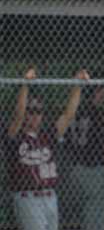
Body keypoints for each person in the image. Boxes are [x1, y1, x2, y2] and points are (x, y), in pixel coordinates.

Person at [4, 67, 89, 230]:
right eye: (31, 111)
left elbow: (68, 115)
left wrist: (78, 85)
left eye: (38, 111)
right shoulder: (15, 136)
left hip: (50, 196)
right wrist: (25, 85)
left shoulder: (47, 135)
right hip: (28, 197)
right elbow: (18, 116)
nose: (35, 115)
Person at [65, 85, 104, 230]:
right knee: (95, 211)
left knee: (84, 209)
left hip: (74, 167)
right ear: (98, 91)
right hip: (95, 168)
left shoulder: (76, 110)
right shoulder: (98, 114)